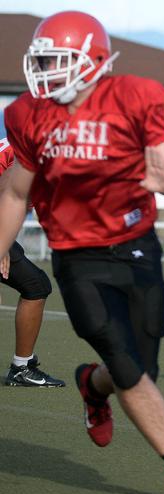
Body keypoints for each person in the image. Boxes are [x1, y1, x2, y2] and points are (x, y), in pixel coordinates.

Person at [0, 10, 164, 494]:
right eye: (42, 59)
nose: (47, 70)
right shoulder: (29, 113)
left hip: (136, 247)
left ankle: (93, 386)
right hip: (75, 254)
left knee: (140, 368)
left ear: (93, 60)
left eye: (57, 59)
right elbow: (15, 193)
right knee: (125, 360)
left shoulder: (134, 97)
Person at [0, 138, 65, 388]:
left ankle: (22, 365)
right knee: (35, 285)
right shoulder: (31, 149)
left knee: (35, 284)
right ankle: (21, 367)